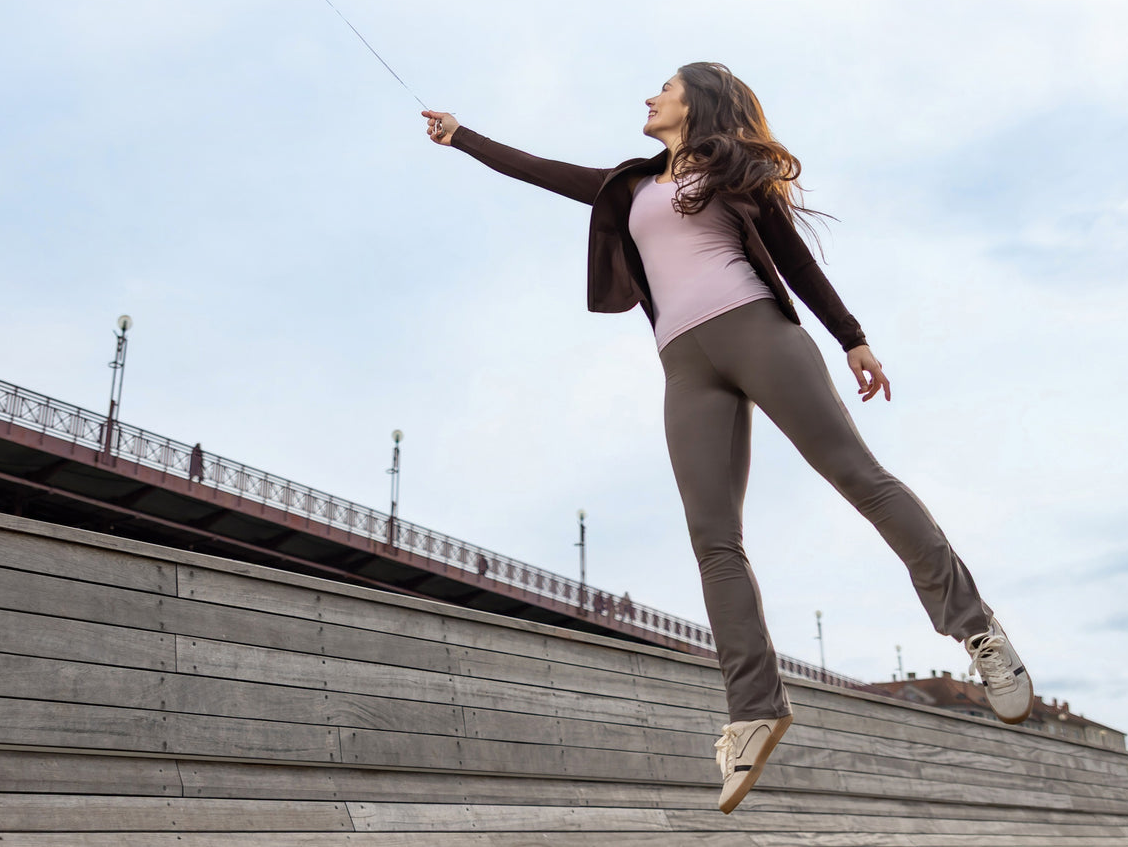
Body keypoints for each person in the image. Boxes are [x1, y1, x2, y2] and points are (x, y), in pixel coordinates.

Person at [422, 62, 1033, 814]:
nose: (648, 96)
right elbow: (544, 172)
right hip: (685, 366)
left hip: (758, 334)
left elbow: (795, 259)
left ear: (696, 102)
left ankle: (976, 631)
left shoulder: (731, 172)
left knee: (857, 477)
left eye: (664, 87)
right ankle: (753, 709)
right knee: (712, 536)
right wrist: (462, 137)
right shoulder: (631, 185)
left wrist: (852, 338)